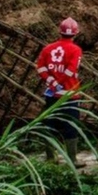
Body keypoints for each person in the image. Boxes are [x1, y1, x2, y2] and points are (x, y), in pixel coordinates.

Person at [35, 17, 83, 166]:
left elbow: (40, 67)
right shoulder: (75, 49)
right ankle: (72, 159)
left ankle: (51, 158)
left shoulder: (48, 48)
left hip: (52, 94)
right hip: (69, 94)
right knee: (71, 125)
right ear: (75, 33)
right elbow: (71, 71)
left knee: (49, 124)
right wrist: (59, 83)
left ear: (60, 32)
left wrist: (52, 83)